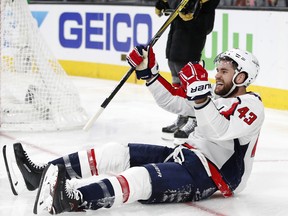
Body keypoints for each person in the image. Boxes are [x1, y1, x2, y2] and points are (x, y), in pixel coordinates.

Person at [3, 46, 264, 215]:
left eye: (224, 71)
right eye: (217, 70)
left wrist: (200, 98)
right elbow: (172, 100)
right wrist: (148, 73)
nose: (217, 75)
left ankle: (73, 199)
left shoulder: (251, 105)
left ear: (241, 77)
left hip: (213, 175)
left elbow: (218, 131)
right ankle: (42, 174)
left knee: (140, 177)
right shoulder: (213, 98)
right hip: (187, 156)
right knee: (117, 151)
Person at [155, 0, 220, 144]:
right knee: (174, 63)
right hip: (178, 24)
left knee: (188, 69)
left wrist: (197, 3)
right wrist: (165, 2)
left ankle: (194, 117)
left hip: (196, 23)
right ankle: (183, 114)